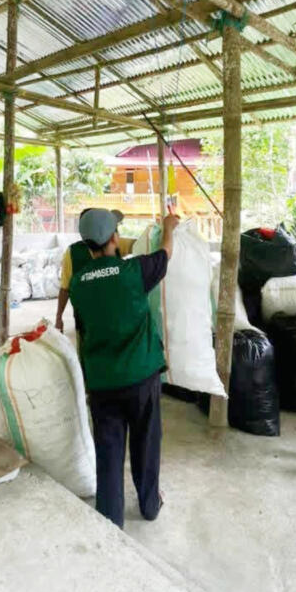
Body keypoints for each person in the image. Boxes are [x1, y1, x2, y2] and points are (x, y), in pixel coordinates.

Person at [68, 208, 179, 528]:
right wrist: (169, 227)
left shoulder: (78, 284)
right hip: (141, 377)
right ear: (115, 237)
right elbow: (166, 253)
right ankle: (149, 505)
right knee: (146, 444)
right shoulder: (134, 272)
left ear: (87, 244)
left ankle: (111, 518)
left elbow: (84, 328)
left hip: (102, 383)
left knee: (109, 452)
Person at [55, 208, 135, 333]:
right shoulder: (72, 253)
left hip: (96, 321)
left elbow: (65, 289)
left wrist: (59, 317)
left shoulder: (73, 252)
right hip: (100, 320)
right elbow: (65, 289)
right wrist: (58, 317)